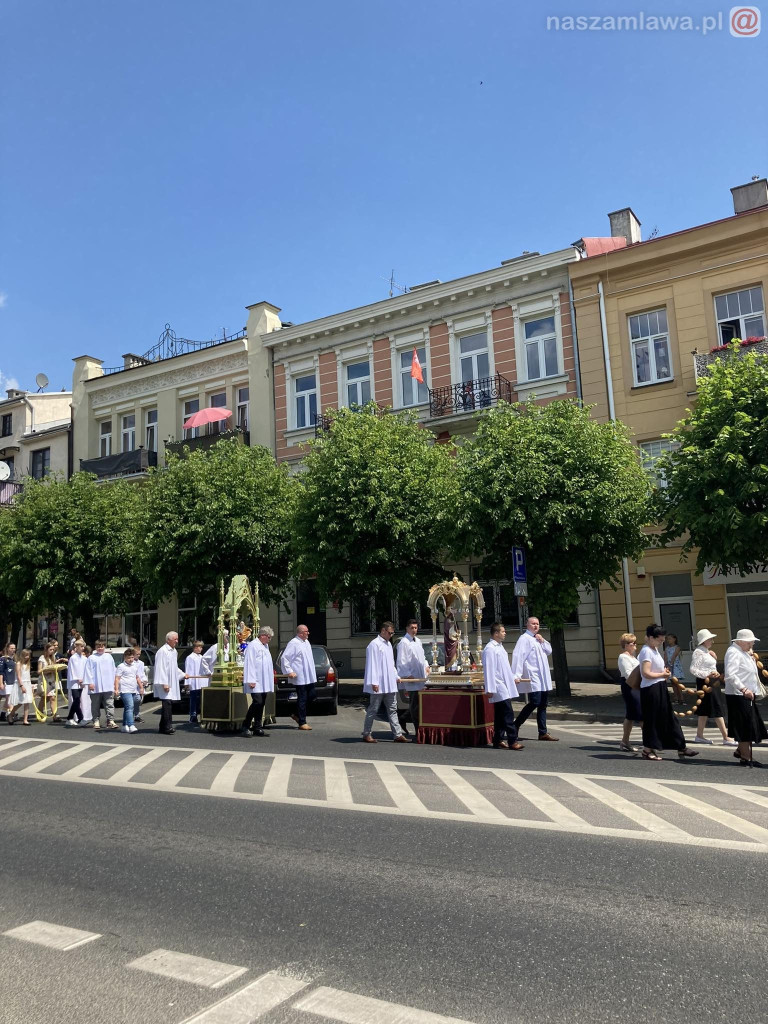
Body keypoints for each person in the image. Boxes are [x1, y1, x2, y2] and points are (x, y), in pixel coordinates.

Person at [639, 623, 697, 762]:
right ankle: (647, 750)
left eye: (663, 639)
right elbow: (645, 673)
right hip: (650, 689)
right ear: (649, 638)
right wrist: (662, 675)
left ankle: (681, 746)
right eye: (659, 639)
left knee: (669, 717)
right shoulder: (646, 651)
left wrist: (664, 673)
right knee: (652, 719)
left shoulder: (654, 649)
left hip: (659, 686)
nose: (662, 642)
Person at [723, 628, 768, 767]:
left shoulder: (743, 651)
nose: (752, 645)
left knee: (749, 725)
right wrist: (743, 689)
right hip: (739, 694)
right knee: (744, 727)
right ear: (741, 641)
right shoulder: (733, 652)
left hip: (747, 694)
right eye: (750, 642)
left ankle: (741, 751)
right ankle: (745, 757)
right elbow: (730, 674)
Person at [512, 616, 558, 742]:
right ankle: (516, 725)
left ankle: (542, 732)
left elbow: (549, 651)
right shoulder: (524, 639)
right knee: (535, 702)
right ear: (527, 625)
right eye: (533, 623)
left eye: (537, 624)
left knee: (543, 704)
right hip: (533, 676)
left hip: (543, 676)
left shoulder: (538, 639)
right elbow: (518, 657)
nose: (536, 626)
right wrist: (516, 675)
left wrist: (542, 640)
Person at [362, 621, 408, 743]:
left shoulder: (388, 644)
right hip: (379, 684)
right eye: (390, 633)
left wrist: (396, 676)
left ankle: (397, 734)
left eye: (392, 633)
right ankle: (366, 733)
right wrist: (374, 682)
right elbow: (372, 664)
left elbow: (391, 664)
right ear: (383, 631)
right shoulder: (374, 644)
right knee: (373, 709)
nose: (391, 635)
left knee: (392, 709)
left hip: (389, 683)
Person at [482, 622, 523, 750]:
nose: (505, 633)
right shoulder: (490, 649)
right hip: (498, 685)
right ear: (496, 633)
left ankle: (497, 740)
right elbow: (489, 670)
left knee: (500, 715)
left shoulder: (499, 647)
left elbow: (504, 668)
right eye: (503, 631)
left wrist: (512, 678)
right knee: (508, 713)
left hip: (504, 683)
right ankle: (512, 740)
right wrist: (490, 688)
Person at [691, 628, 735, 747]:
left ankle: (699, 736)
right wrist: (708, 675)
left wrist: (714, 664)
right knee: (716, 707)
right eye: (710, 639)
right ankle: (726, 737)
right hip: (706, 682)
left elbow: (709, 667)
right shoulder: (698, 652)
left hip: (712, 681)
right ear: (704, 640)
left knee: (704, 710)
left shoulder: (706, 651)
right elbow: (693, 669)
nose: (712, 641)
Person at [280, 625, 317, 731]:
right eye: (306, 631)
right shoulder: (293, 643)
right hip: (300, 676)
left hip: (308, 676)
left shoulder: (306, 642)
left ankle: (296, 714)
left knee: (312, 695)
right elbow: (285, 658)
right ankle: (302, 722)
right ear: (300, 633)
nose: (308, 633)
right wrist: (289, 671)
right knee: (302, 698)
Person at [396, 619, 429, 736]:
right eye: (412, 628)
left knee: (420, 704)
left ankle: (403, 718)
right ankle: (418, 730)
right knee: (415, 705)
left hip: (421, 677)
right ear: (407, 628)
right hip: (412, 678)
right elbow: (401, 660)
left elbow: (422, 657)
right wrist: (407, 673)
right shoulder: (404, 643)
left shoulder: (418, 641)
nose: (414, 630)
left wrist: (426, 666)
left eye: (415, 628)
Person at [241, 626, 275, 737]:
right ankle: (245, 725)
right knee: (257, 702)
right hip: (255, 680)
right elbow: (250, 663)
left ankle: (257, 726)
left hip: (263, 680)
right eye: (269, 637)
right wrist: (251, 679)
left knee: (261, 704)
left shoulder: (265, 646)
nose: (270, 639)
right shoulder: (253, 645)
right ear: (263, 635)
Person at [153, 631, 186, 735]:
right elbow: (160, 668)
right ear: (168, 640)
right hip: (165, 682)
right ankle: (167, 727)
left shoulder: (173, 651)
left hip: (170, 681)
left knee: (168, 703)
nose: (177, 641)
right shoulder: (163, 651)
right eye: (175, 639)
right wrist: (164, 683)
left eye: (177, 639)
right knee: (167, 704)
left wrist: (183, 674)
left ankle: (163, 727)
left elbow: (174, 667)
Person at [84, 640, 120, 730]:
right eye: (98, 647)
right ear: (95, 648)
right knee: (95, 704)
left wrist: (115, 684)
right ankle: (96, 720)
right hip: (96, 685)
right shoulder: (92, 658)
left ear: (105, 647)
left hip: (108, 685)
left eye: (102, 646)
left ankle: (110, 720)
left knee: (109, 703)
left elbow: (113, 670)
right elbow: (88, 671)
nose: (100, 648)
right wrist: (90, 683)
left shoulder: (109, 657)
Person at [617, 633, 642, 752]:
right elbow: (628, 674)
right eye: (633, 643)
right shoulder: (623, 657)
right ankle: (650, 743)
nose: (635, 644)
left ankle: (625, 742)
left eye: (635, 642)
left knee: (630, 715)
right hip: (630, 686)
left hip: (636, 686)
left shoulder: (633, 657)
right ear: (626, 645)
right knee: (640, 714)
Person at [114, 648, 144, 733]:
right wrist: (116, 689)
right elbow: (117, 678)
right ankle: (131, 725)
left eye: (132, 657)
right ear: (125, 658)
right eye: (128, 658)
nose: (131, 659)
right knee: (130, 706)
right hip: (124, 690)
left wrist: (141, 687)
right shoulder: (121, 666)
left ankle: (124, 725)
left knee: (128, 707)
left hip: (133, 689)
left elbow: (137, 677)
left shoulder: (135, 666)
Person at [37, 641, 66, 722]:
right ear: (46, 650)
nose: (52, 651)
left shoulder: (53, 658)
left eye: (53, 650)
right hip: (44, 680)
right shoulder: (42, 658)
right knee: (44, 698)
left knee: (53, 698)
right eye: (50, 649)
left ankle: (54, 715)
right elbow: (39, 671)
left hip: (52, 680)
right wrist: (47, 669)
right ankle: (40, 712)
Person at [185, 640, 209, 725]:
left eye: (202, 647)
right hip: (194, 682)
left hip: (202, 682)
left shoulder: (201, 657)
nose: (201, 649)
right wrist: (187, 683)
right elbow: (188, 670)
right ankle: (193, 716)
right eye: (200, 647)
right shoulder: (190, 657)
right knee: (194, 700)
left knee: (200, 700)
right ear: (195, 647)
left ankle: (202, 716)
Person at [8, 649, 34, 725]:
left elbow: (28, 676)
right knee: (20, 702)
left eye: (28, 655)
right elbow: (19, 676)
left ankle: (25, 720)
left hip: (27, 683)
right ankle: (11, 714)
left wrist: (31, 685)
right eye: (26, 655)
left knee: (27, 702)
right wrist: (21, 686)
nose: (27, 657)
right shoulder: (18, 664)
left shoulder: (28, 664)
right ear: (22, 656)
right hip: (20, 683)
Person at [65, 640, 87, 726]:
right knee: (76, 699)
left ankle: (71, 718)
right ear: (76, 647)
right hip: (74, 682)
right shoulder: (73, 658)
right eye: (81, 646)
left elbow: (85, 670)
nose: (82, 648)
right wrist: (78, 679)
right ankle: (79, 718)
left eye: (83, 646)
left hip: (81, 682)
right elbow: (73, 670)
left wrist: (84, 680)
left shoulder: (84, 658)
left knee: (77, 700)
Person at [664, 633, 686, 703]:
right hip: (669, 666)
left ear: (674, 639)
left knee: (677, 682)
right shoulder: (667, 648)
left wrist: (671, 665)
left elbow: (674, 656)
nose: (668, 640)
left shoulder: (677, 647)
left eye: (670, 639)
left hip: (675, 666)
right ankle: (676, 697)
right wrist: (666, 666)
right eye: (667, 639)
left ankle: (681, 698)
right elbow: (666, 657)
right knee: (673, 683)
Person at [0, 642, 18, 721]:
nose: (13, 650)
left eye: (14, 648)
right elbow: (1, 672)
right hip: (7, 681)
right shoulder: (3, 659)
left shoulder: (14, 658)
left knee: (8, 699)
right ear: (7, 649)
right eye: (11, 648)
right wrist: (1, 683)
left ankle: (3, 713)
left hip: (13, 680)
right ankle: (10, 714)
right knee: (9, 699)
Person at [131, 646, 146, 723]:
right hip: (131, 684)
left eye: (139, 654)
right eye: (137, 654)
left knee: (137, 700)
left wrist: (144, 680)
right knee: (132, 701)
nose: (138, 656)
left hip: (139, 684)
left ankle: (136, 715)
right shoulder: (130, 662)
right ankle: (132, 715)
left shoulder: (141, 663)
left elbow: (142, 673)